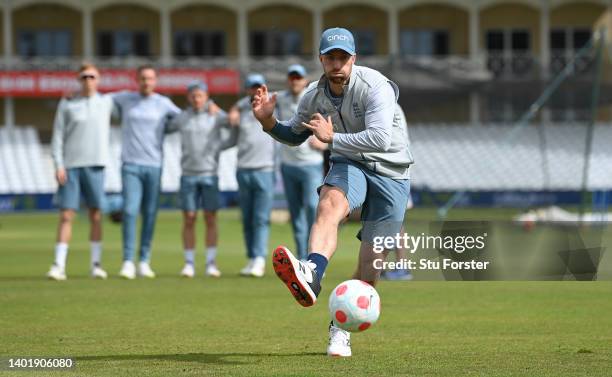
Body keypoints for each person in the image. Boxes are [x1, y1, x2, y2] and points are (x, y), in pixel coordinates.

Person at [252, 28, 414, 356]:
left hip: (392, 172)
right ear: (322, 60)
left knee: (371, 267)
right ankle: (312, 272)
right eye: (330, 57)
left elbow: (380, 139)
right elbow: (296, 135)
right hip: (349, 163)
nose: (337, 63)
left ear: (353, 59)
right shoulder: (313, 94)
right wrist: (269, 122)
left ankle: (340, 328)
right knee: (329, 203)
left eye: (343, 57)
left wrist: (332, 139)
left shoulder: (376, 87)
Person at [47, 63, 114, 281]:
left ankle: (96, 264)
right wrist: (58, 164)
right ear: (78, 79)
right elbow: (57, 137)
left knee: (96, 215)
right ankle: (58, 265)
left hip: (96, 165)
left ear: (99, 79)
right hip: (71, 166)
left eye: (92, 77)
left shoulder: (107, 102)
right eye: (84, 77)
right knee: (67, 215)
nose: (88, 81)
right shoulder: (67, 104)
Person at [113, 65, 181, 279]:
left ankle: (144, 260)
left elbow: (182, 119)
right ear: (136, 80)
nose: (146, 82)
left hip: (154, 165)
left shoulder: (164, 103)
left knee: (150, 214)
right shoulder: (125, 99)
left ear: (155, 81)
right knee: (131, 211)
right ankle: (127, 262)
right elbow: (101, 100)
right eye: (143, 78)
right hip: (130, 164)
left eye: (150, 78)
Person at [167, 81, 229, 278]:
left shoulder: (216, 115)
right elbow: (164, 126)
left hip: (210, 174)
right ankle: (189, 263)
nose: (196, 99)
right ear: (188, 98)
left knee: (210, 218)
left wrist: (219, 111)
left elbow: (233, 122)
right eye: (193, 96)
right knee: (189, 219)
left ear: (206, 96)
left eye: (200, 95)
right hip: (188, 175)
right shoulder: (181, 118)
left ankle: (211, 262)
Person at [227, 73, 277, 277]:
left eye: (259, 87)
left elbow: (280, 96)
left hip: (265, 169)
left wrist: (235, 106)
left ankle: (259, 258)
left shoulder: (272, 107)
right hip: (243, 170)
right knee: (247, 218)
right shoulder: (242, 111)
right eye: (252, 87)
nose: (256, 90)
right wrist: (235, 108)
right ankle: (251, 257)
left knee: (260, 218)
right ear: (246, 90)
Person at [276, 64, 326, 261]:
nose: (295, 81)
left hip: (311, 164)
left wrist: (325, 143)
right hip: (288, 165)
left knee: (313, 210)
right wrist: (236, 109)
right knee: (296, 214)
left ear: (305, 80)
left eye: (298, 78)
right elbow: (253, 99)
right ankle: (301, 258)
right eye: (292, 77)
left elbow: (335, 119)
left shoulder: (315, 97)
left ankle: (315, 257)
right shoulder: (280, 98)